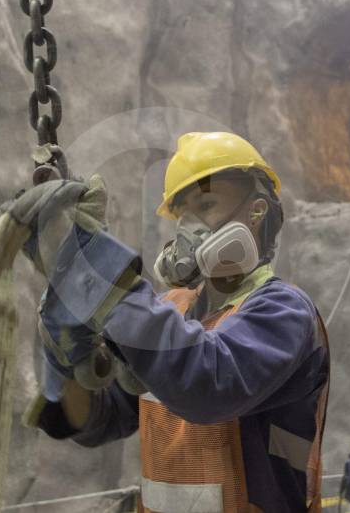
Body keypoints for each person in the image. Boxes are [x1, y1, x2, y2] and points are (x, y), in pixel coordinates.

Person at [17, 132, 330, 513]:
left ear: (256, 211)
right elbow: (96, 420)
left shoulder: (284, 313)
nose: (188, 227)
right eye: (182, 213)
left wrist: (99, 275)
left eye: (207, 204)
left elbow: (208, 382)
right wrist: (70, 350)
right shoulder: (170, 310)